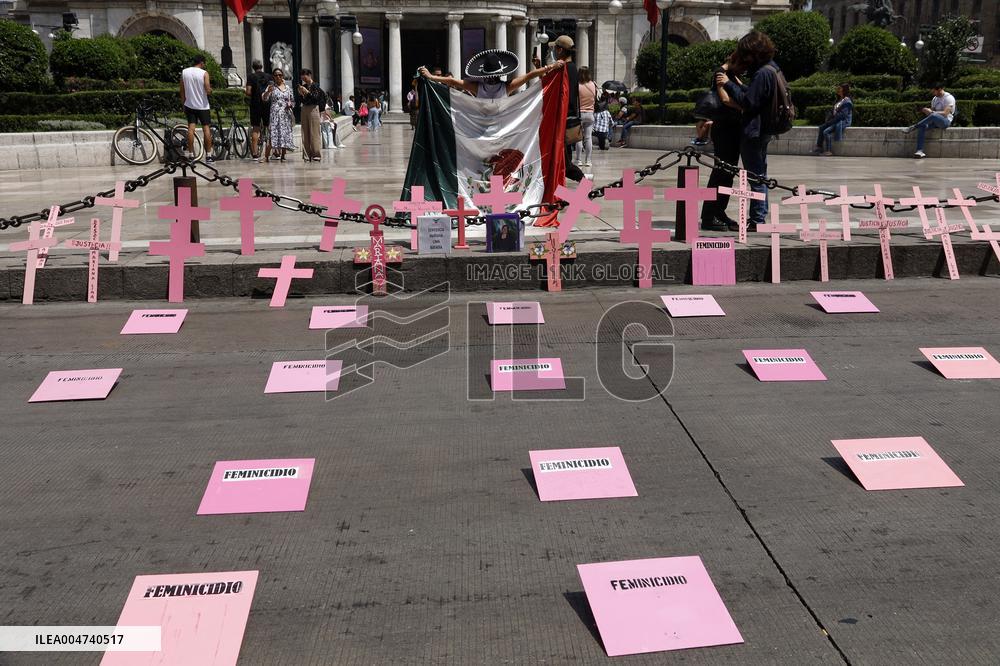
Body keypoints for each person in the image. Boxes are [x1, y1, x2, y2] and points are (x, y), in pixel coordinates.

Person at [716, 31, 782, 232]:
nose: (744, 59)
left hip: (754, 130)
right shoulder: (773, 69)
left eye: (745, 54)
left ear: (753, 53)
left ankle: (756, 221)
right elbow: (757, 95)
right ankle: (759, 218)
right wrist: (741, 85)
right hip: (764, 129)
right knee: (760, 174)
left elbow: (749, 103)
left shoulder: (762, 73)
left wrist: (727, 83)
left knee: (755, 176)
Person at [700, 55, 746, 232]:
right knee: (721, 172)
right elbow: (726, 99)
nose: (743, 71)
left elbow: (743, 90)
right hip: (724, 129)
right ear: (735, 61)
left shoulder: (731, 75)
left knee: (728, 172)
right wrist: (745, 106)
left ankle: (719, 211)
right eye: (742, 66)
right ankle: (709, 215)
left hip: (732, 129)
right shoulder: (720, 73)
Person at [418, 50, 562, 99]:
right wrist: (550, 66)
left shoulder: (476, 87)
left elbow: (453, 82)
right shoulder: (507, 87)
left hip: (481, 129)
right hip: (502, 129)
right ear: (500, 72)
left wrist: (432, 77)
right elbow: (529, 75)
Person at [903, 84, 956, 159]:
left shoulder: (949, 98)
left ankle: (914, 126)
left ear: (940, 89)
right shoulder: (935, 99)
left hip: (945, 121)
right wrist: (927, 111)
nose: (933, 93)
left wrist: (932, 112)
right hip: (934, 122)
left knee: (934, 116)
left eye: (934, 91)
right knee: (922, 126)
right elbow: (932, 113)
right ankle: (920, 151)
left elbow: (945, 113)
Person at [180, 54, 213, 161]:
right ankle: (208, 155)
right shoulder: (204, 73)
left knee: (191, 129)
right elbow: (208, 89)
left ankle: (190, 154)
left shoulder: (184, 72)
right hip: (202, 105)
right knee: (206, 129)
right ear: (202, 63)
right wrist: (210, 90)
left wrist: (183, 103)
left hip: (189, 104)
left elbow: (182, 90)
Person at [811, 83, 853, 156]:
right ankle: (819, 147)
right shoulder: (839, 100)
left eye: (840, 88)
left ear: (844, 90)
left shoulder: (847, 101)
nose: (838, 90)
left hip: (842, 121)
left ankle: (828, 151)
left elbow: (843, 115)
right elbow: (833, 111)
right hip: (835, 120)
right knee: (821, 127)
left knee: (826, 132)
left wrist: (832, 120)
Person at [261, 67, 294, 162]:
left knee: (284, 134)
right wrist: (268, 91)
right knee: (273, 135)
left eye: (280, 75)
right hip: (275, 114)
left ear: (282, 76)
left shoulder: (288, 88)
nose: (278, 77)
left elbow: (293, 100)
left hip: (285, 114)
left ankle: (283, 155)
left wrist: (290, 104)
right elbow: (264, 98)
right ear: (273, 77)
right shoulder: (271, 87)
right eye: (276, 75)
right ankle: (266, 156)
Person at [244, 59, 270, 162]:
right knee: (269, 127)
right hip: (267, 104)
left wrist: (245, 91)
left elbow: (248, 92)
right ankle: (275, 152)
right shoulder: (268, 76)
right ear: (262, 66)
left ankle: (254, 154)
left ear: (253, 67)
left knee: (256, 128)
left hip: (255, 105)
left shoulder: (251, 77)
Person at [297, 68, 325, 161]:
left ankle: (316, 154)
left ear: (309, 75)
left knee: (314, 132)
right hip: (304, 108)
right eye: (302, 78)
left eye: (305, 77)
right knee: (305, 132)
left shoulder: (315, 86)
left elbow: (315, 98)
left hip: (313, 109)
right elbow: (301, 101)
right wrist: (301, 94)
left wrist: (307, 92)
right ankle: (306, 155)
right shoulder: (303, 86)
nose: (304, 80)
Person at [575, 65, 598, 168]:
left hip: (579, 114)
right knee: (588, 138)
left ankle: (578, 160)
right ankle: (588, 160)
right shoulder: (594, 84)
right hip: (590, 114)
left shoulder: (577, 85)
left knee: (579, 138)